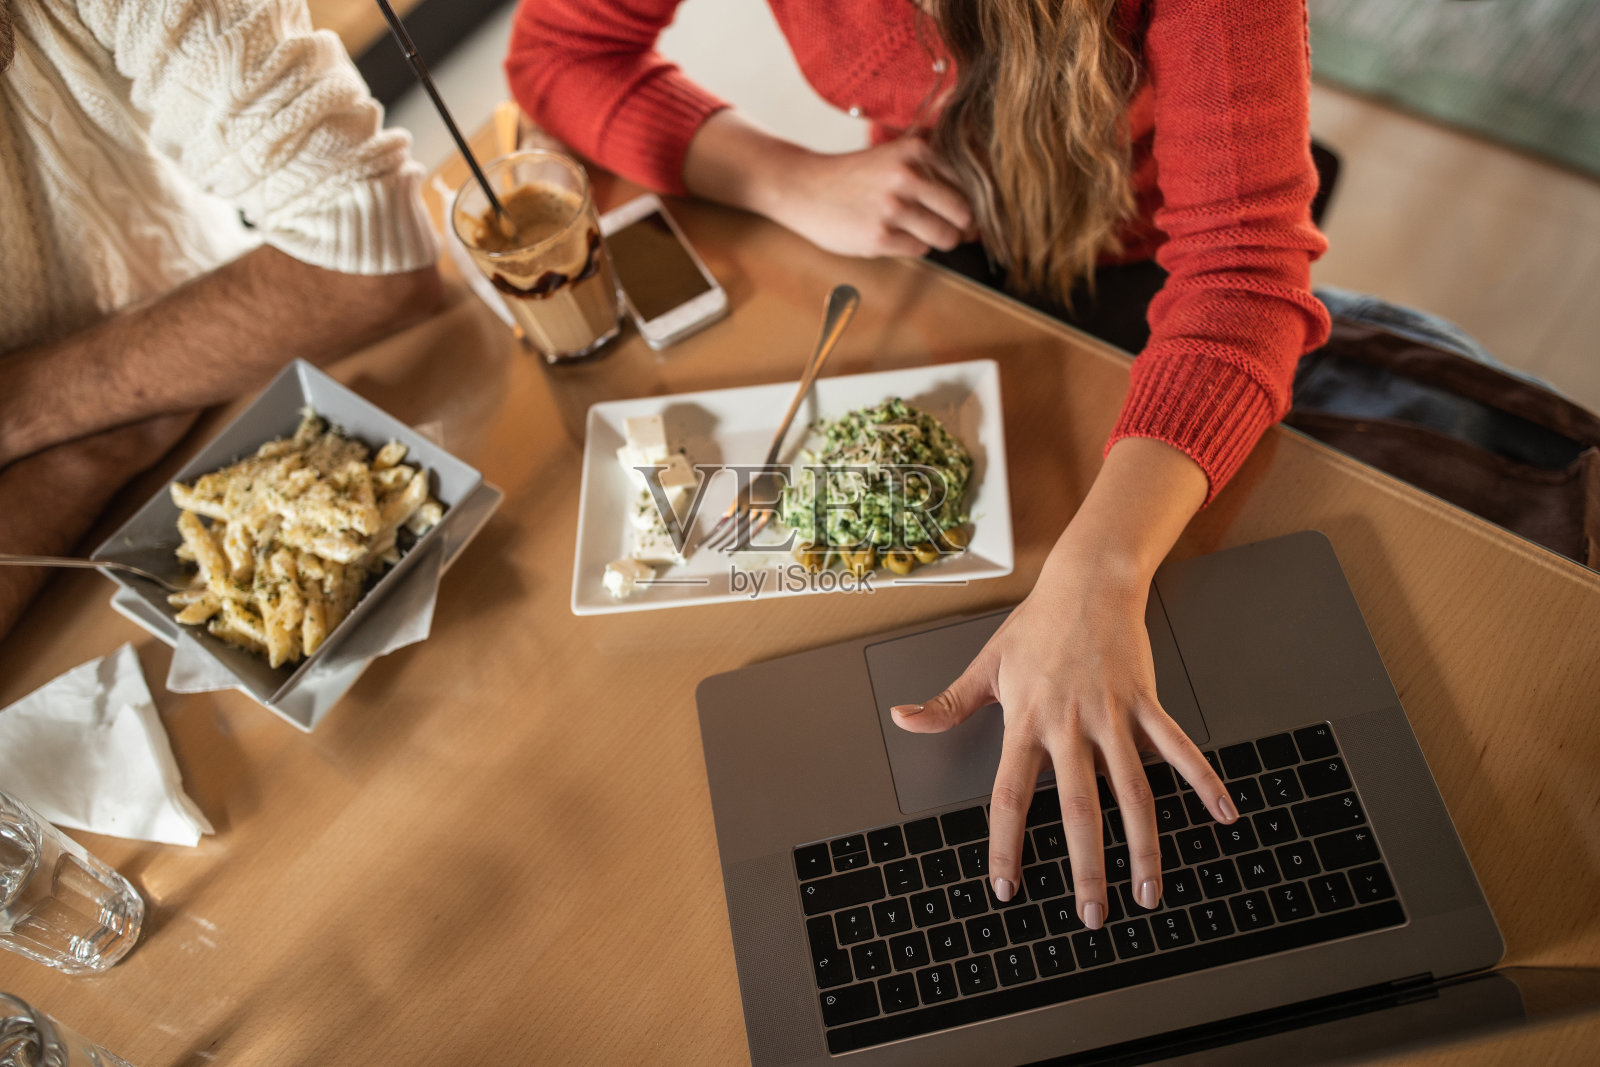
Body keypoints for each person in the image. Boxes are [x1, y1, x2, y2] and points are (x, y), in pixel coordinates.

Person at [507, 0, 1331, 931]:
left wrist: (1100, 568)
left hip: (1151, 268)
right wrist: (788, 179)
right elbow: (561, 52)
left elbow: (1244, 275)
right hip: (930, 251)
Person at [0, 0, 443, 638]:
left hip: (242, 399)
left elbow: (369, 245)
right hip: (72, 603)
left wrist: (25, 410)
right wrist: (81, 459)